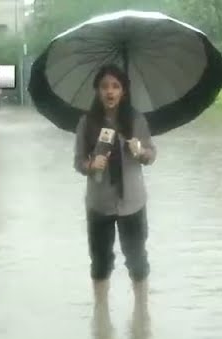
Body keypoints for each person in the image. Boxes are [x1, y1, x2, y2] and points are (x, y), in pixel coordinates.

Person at [74, 63, 157, 308]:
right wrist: (91, 165)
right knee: (100, 261)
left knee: (137, 259)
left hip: (133, 203)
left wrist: (140, 152)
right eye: (104, 87)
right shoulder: (87, 123)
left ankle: (142, 312)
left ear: (123, 91)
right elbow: (78, 161)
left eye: (116, 86)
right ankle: (101, 314)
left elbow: (151, 154)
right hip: (99, 204)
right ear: (97, 91)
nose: (110, 92)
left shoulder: (136, 120)